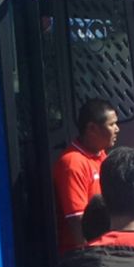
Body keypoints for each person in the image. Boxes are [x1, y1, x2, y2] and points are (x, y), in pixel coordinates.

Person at [53, 99, 120, 254]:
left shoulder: (101, 155)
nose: (117, 129)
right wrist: (91, 261)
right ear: (91, 128)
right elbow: (78, 223)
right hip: (87, 256)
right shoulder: (72, 163)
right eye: (111, 124)